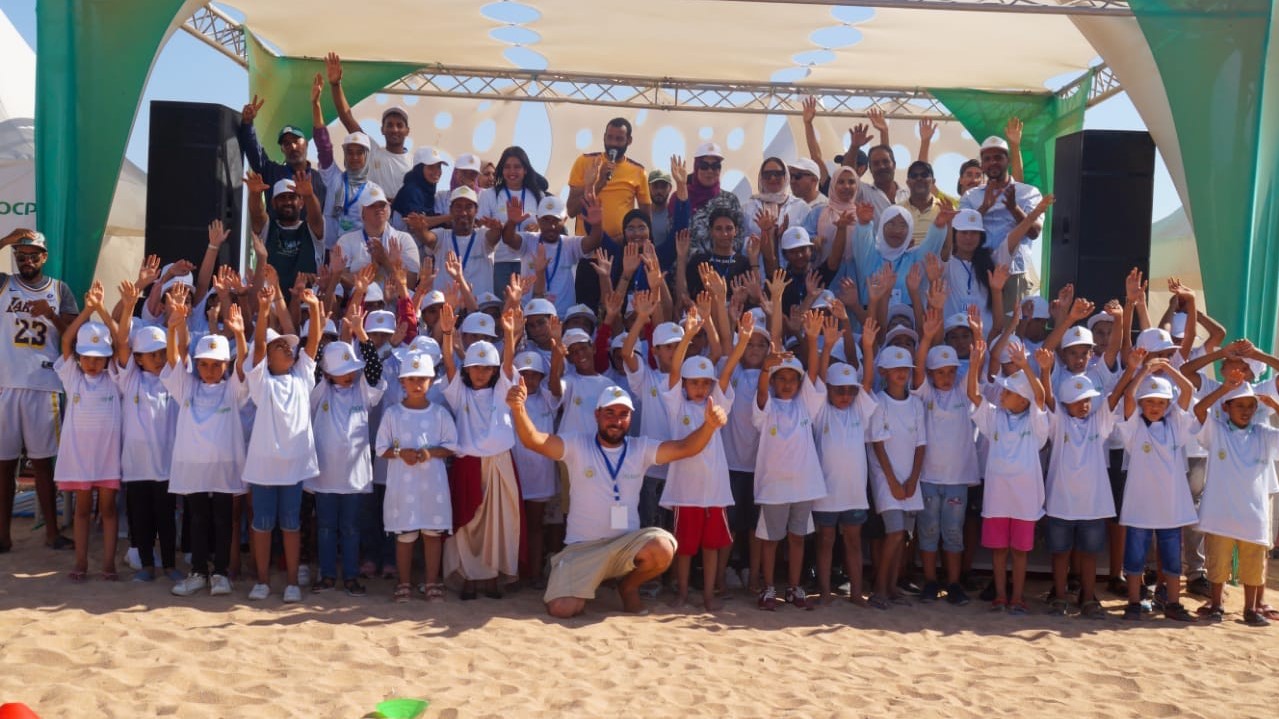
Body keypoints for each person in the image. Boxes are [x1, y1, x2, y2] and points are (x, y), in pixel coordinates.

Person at [508, 379, 728, 618]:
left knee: (664, 547)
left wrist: (709, 426)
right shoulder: (576, 445)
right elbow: (534, 440)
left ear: (630, 418)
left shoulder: (639, 448)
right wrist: (518, 409)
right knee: (562, 609)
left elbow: (686, 447)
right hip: (583, 549)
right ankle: (574, 576)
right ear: (597, 415)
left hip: (625, 546)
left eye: (623, 414)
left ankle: (628, 587)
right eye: (609, 413)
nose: (616, 420)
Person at [661, 307, 752, 611]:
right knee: (684, 549)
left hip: (713, 491)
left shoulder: (717, 402)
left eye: (705, 383)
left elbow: (727, 372)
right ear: (685, 385)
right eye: (694, 382)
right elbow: (674, 372)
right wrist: (687, 335)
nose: (700, 388)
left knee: (711, 548)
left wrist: (742, 342)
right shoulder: (677, 406)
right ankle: (684, 593)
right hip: (684, 493)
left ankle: (710, 595)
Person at [162, 289, 250, 597]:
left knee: (224, 519)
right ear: (196, 365)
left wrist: (239, 336)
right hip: (193, 465)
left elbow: (243, 368)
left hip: (225, 465)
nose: (210, 370)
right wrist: (174, 327)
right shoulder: (187, 387)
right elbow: (173, 359)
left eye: (216, 364)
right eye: (204, 364)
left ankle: (221, 574)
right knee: (197, 518)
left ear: (225, 365)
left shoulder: (232, 390)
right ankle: (199, 572)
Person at [0, 228, 78, 553]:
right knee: (4, 465)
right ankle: (3, 537)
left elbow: (75, 335)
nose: (26, 261)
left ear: (44, 257)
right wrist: (5, 239)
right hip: (5, 385)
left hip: (44, 386)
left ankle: (51, 533)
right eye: (20, 256)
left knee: (43, 464)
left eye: (32, 255)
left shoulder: (59, 290)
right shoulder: (5, 283)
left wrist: (53, 317)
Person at [244, 287, 323, 604]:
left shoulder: (302, 377)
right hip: (264, 467)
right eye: (282, 347)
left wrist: (315, 309)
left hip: (293, 467)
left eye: (289, 346)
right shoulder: (261, 383)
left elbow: (313, 343)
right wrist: (263, 313)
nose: (289, 350)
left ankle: (292, 583)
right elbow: (259, 347)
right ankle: (262, 582)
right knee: (262, 526)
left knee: (291, 525)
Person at [439, 305, 523, 599]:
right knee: (467, 526)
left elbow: (510, 364)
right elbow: (448, 361)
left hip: (499, 462)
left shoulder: (502, 389)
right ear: (468, 369)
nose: (481, 372)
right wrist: (448, 333)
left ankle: (491, 579)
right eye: (476, 367)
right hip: (468, 464)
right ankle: (468, 578)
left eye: (487, 367)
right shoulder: (458, 391)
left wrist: (510, 335)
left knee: (498, 524)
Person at [1040, 347, 1128, 619]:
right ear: (1066, 404)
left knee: (1089, 555)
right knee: (1060, 554)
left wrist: (1134, 370)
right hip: (1061, 502)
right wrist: (1045, 370)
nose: (1085, 404)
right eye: (1078, 401)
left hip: (1092, 505)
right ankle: (1060, 595)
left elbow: (1114, 399)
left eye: (1088, 399)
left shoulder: (1098, 424)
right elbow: (1048, 400)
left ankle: (1088, 598)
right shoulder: (1058, 423)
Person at [966, 339, 1049, 615]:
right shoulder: (995, 417)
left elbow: (1039, 398)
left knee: (1020, 552)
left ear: (1022, 400)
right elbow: (974, 396)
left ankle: (1017, 597)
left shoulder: (1035, 423)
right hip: (998, 498)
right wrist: (975, 364)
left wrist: (1026, 367)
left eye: (1008, 393)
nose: (1001, 395)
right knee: (999, 551)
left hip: (1025, 500)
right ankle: (1001, 596)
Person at [308, 312, 386, 596]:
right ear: (328, 373)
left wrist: (361, 334)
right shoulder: (319, 393)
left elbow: (375, 372)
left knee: (352, 528)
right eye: (342, 370)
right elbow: (313, 368)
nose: (350, 374)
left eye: (352, 368)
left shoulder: (362, 392)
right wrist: (320, 323)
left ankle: (351, 576)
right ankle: (328, 575)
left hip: (354, 477)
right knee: (327, 527)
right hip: (326, 475)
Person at [1115, 360, 1199, 622]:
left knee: (1172, 557)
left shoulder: (1176, 425)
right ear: (1141, 404)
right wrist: (1143, 372)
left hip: (1171, 507)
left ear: (1168, 405)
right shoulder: (1134, 428)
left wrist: (1168, 368)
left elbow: (1187, 391)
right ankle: (1133, 602)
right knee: (1135, 557)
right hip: (1140, 505)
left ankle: (1173, 602)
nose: (1155, 407)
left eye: (1161, 402)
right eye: (1149, 401)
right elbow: (1128, 395)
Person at [1193, 378, 1279, 626]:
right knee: (1217, 564)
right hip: (1220, 512)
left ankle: (1250, 609)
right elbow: (1199, 410)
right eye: (1238, 405)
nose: (1244, 411)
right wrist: (1223, 390)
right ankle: (1217, 604)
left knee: (1253, 566)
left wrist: (1274, 404)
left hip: (1253, 514)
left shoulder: (1264, 434)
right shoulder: (1217, 430)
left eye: (1250, 406)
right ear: (1226, 408)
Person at [376, 350, 458, 603]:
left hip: (432, 485)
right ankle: (404, 583)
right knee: (406, 535)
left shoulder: (439, 414)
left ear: (431, 381)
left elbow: (452, 445)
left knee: (433, 534)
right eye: (411, 379)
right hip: (404, 486)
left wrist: (428, 453)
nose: (417, 384)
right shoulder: (392, 414)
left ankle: (432, 581)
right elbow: (381, 449)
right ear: (402, 382)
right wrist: (401, 453)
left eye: (422, 379)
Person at [113, 280, 180, 583]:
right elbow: (122, 344)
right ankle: (146, 567)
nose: (159, 357)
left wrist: (177, 322)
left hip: (165, 467)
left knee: (165, 519)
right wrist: (129, 306)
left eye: (162, 352)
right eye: (152, 353)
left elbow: (180, 354)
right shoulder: (130, 380)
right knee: (141, 520)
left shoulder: (172, 380)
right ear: (138, 358)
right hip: (137, 467)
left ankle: (168, 565)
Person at [54, 281, 121, 582]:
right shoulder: (73, 378)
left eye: (98, 356)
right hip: (80, 459)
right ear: (80, 357)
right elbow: (66, 340)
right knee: (82, 511)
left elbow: (122, 342)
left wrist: (103, 311)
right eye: (87, 356)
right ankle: (80, 563)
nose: (93, 362)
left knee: (107, 511)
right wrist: (87, 311)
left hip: (107, 458)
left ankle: (108, 564)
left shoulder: (115, 379)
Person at [912, 310, 979, 605]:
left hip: (957, 479)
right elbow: (917, 369)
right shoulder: (924, 393)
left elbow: (976, 362)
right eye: (940, 372)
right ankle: (929, 581)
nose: (947, 377)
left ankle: (952, 583)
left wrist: (977, 333)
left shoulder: (964, 392)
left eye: (951, 371)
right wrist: (926, 336)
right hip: (927, 477)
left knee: (953, 532)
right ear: (930, 374)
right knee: (927, 531)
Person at [813, 320, 879, 606]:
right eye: (839, 390)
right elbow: (815, 379)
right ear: (828, 389)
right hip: (825, 493)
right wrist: (826, 347)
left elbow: (866, 381)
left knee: (853, 543)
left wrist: (867, 346)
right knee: (825, 542)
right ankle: (826, 591)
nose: (846, 396)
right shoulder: (819, 411)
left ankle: (855, 592)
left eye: (850, 391)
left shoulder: (859, 410)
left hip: (853, 493)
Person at [959, 136, 1044, 306]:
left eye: (998, 157)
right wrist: (984, 207)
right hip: (977, 272)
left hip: (1014, 273)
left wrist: (1014, 208)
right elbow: (960, 232)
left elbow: (1034, 232)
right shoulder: (971, 196)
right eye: (987, 159)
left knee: (1011, 330)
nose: (993, 163)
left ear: (1008, 161)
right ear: (982, 165)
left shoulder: (1028, 193)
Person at [325, 53, 413, 199]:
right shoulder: (372, 150)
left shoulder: (414, 162)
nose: (394, 129)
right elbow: (346, 117)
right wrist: (335, 85)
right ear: (382, 130)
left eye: (399, 125)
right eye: (389, 125)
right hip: (373, 217)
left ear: (407, 131)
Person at [237, 93, 327, 217]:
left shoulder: (319, 178)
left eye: (296, 141)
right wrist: (247, 123)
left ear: (306, 144)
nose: (292, 147)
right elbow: (254, 151)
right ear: (282, 150)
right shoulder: (272, 172)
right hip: (277, 236)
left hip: (309, 236)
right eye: (286, 144)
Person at [245, 172, 325, 300]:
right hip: (271, 304)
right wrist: (255, 194)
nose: (287, 202)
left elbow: (316, 217)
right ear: (273, 203)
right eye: (282, 198)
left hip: (306, 305)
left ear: (301, 203)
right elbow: (257, 214)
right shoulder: (268, 228)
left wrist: (309, 195)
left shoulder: (311, 229)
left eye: (292, 197)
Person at [567, 117, 650, 238]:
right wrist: (599, 183)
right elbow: (572, 211)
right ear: (604, 137)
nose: (613, 143)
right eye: (609, 137)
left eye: (619, 139)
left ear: (629, 140)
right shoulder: (584, 162)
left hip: (620, 248)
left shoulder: (639, 171)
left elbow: (645, 217)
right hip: (586, 247)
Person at [479, 146, 548, 293]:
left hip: (530, 261)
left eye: (517, 167)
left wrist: (538, 227)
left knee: (529, 309)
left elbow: (548, 226)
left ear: (526, 170)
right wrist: (496, 228)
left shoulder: (538, 195)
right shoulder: (489, 195)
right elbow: (481, 228)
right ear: (501, 170)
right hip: (500, 261)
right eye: (507, 167)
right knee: (505, 310)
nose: (512, 172)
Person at [334, 183, 420, 290]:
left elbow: (411, 284)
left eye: (382, 205)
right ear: (362, 212)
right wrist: (374, 267)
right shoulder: (346, 241)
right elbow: (340, 282)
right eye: (372, 205)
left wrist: (384, 260)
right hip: (360, 303)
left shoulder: (404, 239)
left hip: (393, 306)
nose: (378, 209)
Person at [686, 142, 744, 256]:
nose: (710, 171)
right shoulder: (683, 198)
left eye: (715, 166)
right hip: (691, 268)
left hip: (725, 268)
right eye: (704, 166)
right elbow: (675, 234)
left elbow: (740, 235)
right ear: (696, 168)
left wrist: (719, 259)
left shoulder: (730, 199)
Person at [741, 157, 810, 238]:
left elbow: (808, 239)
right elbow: (741, 240)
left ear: (786, 177)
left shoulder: (800, 207)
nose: (773, 178)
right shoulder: (748, 208)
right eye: (767, 174)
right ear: (761, 178)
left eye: (778, 174)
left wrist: (785, 236)